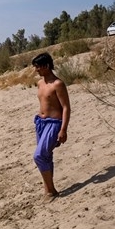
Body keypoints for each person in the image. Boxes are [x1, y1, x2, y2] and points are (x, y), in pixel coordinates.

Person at [31, 52, 71, 198]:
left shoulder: (58, 84)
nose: (36, 70)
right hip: (41, 123)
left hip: (54, 124)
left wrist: (63, 130)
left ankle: (51, 190)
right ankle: (49, 189)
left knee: (39, 156)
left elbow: (66, 107)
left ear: (46, 66)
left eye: (38, 67)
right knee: (46, 156)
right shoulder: (40, 83)